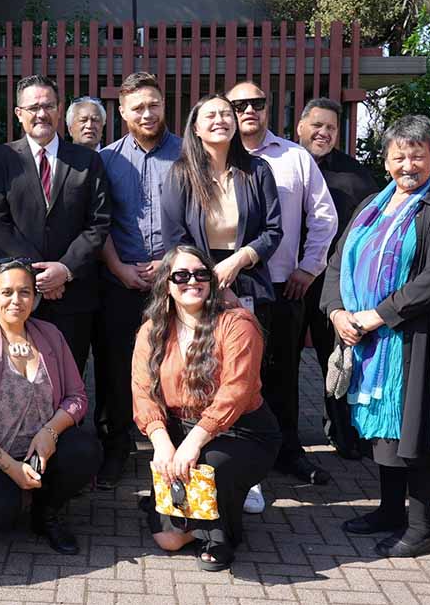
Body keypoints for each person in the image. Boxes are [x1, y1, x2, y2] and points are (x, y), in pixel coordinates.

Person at [321, 115, 430, 558]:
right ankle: (390, 510)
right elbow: (337, 261)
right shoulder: (371, 204)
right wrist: (336, 311)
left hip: (415, 338)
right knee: (382, 432)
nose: (408, 164)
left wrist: (378, 315)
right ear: (386, 160)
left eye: (417, 155)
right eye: (399, 156)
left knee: (414, 430)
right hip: (367, 338)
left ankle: (423, 527)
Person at [161, 92, 283, 512]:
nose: (220, 121)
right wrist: (209, 279)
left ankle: (245, 474)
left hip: (247, 282)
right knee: (201, 372)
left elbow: (272, 231)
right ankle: (198, 457)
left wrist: (236, 262)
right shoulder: (179, 174)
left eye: (225, 115)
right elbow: (175, 237)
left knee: (243, 380)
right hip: (194, 285)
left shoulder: (257, 170)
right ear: (195, 127)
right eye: (209, 115)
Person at [132, 245, 281, 572]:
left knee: (208, 466)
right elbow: (143, 392)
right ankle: (189, 510)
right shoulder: (151, 330)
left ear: (212, 281)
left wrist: (193, 443)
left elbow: (236, 391)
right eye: (181, 275)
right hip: (179, 428)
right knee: (168, 542)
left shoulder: (238, 323)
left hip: (242, 431)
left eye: (201, 274)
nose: (192, 281)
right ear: (166, 285)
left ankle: (222, 534)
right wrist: (161, 442)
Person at [0, 259, 99, 555]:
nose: (16, 300)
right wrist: (11, 467)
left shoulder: (50, 336)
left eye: (25, 292)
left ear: (35, 297)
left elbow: (77, 396)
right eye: (7, 292)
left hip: (43, 451)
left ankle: (47, 513)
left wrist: (50, 433)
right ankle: (6, 502)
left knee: (86, 450)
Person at [227, 81, 337, 486]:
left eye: (256, 102)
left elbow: (324, 216)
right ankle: (238, 454)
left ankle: (287, 452)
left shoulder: (295, 157)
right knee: (234, 373)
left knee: (282, 373)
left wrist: (309, 267)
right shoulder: (216, 155)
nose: (248, 110)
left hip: (281, 287)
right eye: (239, 105)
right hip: (229, 289)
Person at [0, 75, 111, 373]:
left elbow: (99, 222)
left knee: (68, 379)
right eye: (33, 107)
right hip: (19, 295)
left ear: (59, 108)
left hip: (74, 294)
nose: (41, 113)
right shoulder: (1, 158)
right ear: (19, 114)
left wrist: (63, 270)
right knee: (19, 379)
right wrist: (37, 275)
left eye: (48, 106)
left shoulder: (87, 161)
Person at [93, 73, 182, 489]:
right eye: (138, 107)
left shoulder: (188, 154)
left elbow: (198, 217)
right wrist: (117, 268)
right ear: (123, 112)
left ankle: (174, 443)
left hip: (176, 281)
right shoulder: (107, 159)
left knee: (174, 365)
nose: (147, 114)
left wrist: (169, 264)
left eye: (154, 105)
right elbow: (98, 224)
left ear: (163, 105)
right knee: (116, 366)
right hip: (120, 279)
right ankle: (116, 446)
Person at [295, 98, 380, 460]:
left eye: (331, 127)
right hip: (287, 279)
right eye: (317, 125)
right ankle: (284, 436)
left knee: (337, 359)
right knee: (279, 363)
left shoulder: (355, 175)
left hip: (333, 283)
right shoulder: (279, 163)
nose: (324, 133)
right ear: (300, 126)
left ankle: (344, 432)